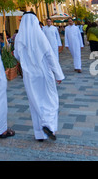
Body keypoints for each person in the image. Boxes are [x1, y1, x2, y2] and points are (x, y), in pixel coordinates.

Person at [14, 12, 65, 142]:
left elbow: (17, 55)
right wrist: (58, 74)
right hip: (43, 73)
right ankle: (48, 125)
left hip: (29, 75)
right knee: (51, 100)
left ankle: (40, 134)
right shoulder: (40, 35)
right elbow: (50, 56)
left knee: (35, 102)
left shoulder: (19, 37)